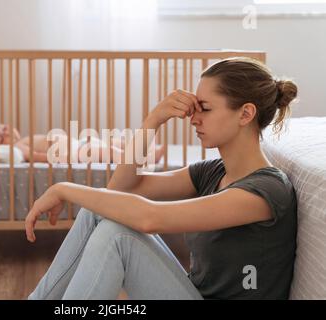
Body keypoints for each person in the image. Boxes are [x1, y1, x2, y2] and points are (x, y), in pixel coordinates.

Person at [25, 57, 298, 300]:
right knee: (96, 212)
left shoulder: (266, 190)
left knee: (116, 235)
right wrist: (152, 121)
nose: (193, 119)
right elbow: (122, 188)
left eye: (205, 108)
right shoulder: (212, 172)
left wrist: (63, 188)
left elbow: (149, 218)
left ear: (246, 114)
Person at [0, 122, 164, 164]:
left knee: (116, 141)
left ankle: (144, 147)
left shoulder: (21, 140)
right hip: (74, 153)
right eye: (1, 136)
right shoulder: (16, 148)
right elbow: (37, 156)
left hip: (78, 144)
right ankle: (143, 160)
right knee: (110, 150)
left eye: (3, 127)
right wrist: (61, 159)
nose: (7, 131)